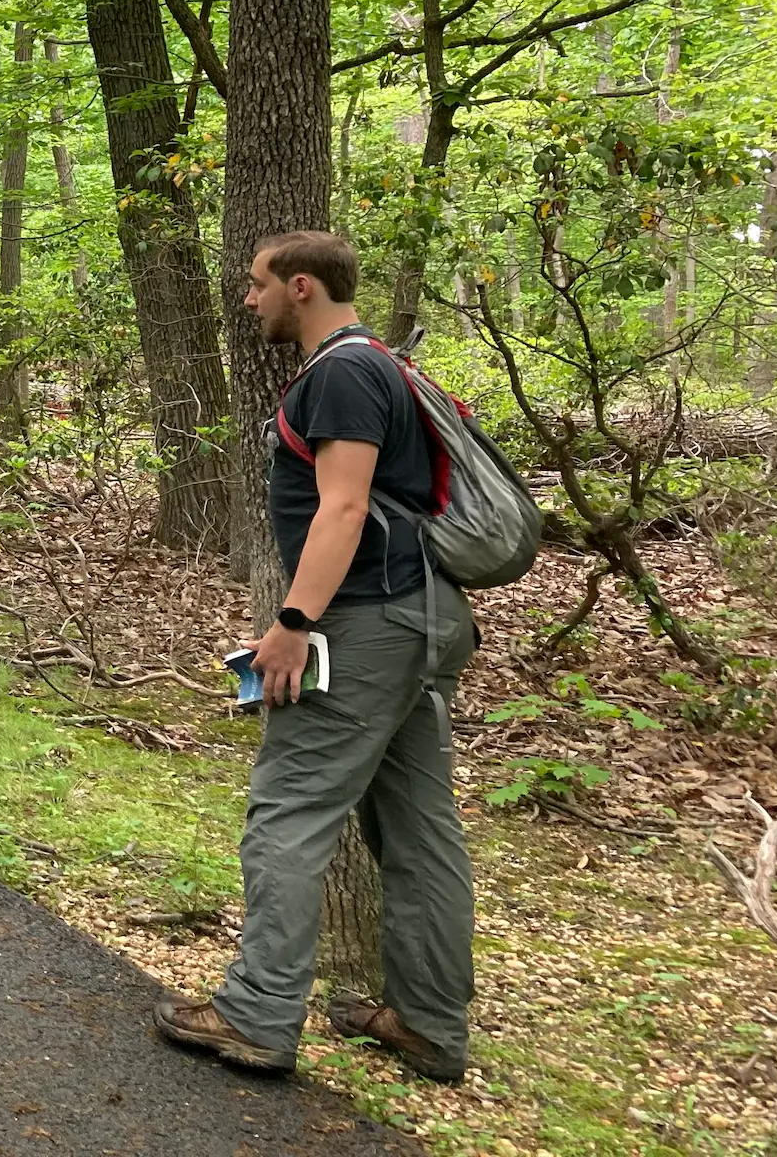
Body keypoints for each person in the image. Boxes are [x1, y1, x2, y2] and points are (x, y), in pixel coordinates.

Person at [155, 231, 474, 1083]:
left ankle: (258, 1013)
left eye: (257, 287)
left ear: (301, 287)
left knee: (289, 809)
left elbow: (343, 509)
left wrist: (292, 622)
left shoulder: (340, 373)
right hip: (420, 618)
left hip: (366, 622)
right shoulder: (385, 366)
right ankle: (429, 1023)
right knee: (417, 828)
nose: (248, 301)